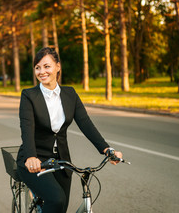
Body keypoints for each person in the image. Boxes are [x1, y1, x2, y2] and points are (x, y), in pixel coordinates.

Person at [16, 47, 122, 213]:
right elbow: (26, 127)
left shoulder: (70, 94)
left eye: (46, 66)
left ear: (58, 67)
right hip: (36, 161)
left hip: (62, 162)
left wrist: (106, 149)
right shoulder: (29, 95)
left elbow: (85, 123)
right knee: (56, 199)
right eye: (37, 67)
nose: (42, 71)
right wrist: (31, 157)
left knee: (61, 206)